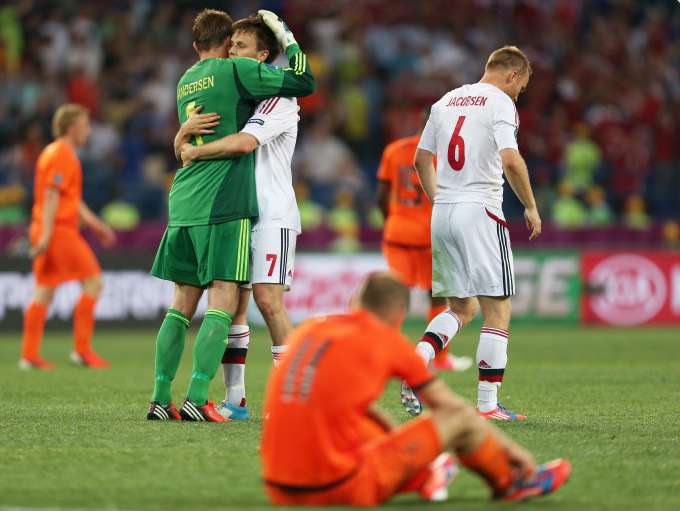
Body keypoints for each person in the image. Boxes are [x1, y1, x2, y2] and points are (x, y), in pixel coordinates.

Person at [261, 272, 570, 506]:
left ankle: (424, 476)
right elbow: (452, 410)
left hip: (277, 485)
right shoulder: (387, 340)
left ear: (355, 302)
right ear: (399, 314)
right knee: (460, 420)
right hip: (337, 486)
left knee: (367, 419)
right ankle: (513, 480)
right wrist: (513, 450)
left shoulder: (312, 327)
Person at [146, 9, 314, 422]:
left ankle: (291, 397)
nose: (233, 53)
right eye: (231, 45)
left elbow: (242, 142)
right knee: (234, 306)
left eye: (241, 48)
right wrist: (182, 137)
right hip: (234, 209)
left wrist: (188, 147)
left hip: (269, 211)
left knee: (267, 302)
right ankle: (234, 400)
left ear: (261, 57)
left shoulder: (278, 99)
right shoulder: (241, 91)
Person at [405, 46, 542, 421]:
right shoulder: (499, 102)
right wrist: (530, 205)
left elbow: (420, 159)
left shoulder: (444, 101)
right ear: (512, 75)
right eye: (521, 87)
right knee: (498, 309)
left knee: (461, 308)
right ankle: (487, 405)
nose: (519, 95)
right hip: (481, 209)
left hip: (445, 211)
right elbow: (511, 159)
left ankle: (418, 362)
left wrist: (441, 200)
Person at [19, 103, 116, 370]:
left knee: (44, 291)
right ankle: (82, 351)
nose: (88, 130)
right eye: (85, 125)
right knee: (94, 282)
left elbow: (70, 199)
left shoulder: (56, 153)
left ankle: (28, 355)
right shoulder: (62, 154)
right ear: (72, 127)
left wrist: (97, 226)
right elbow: (51, 196)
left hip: (48, 227)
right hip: (59, 230)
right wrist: (48, 234)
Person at [377, 108, 472, 372]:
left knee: (396, 296)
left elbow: (382, 195)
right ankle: (440, 358)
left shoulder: (394, 150)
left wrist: (394, 220)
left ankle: (388, 356)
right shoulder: (447, 157)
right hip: (430, 234)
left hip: (397, 233)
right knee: (439, 295)